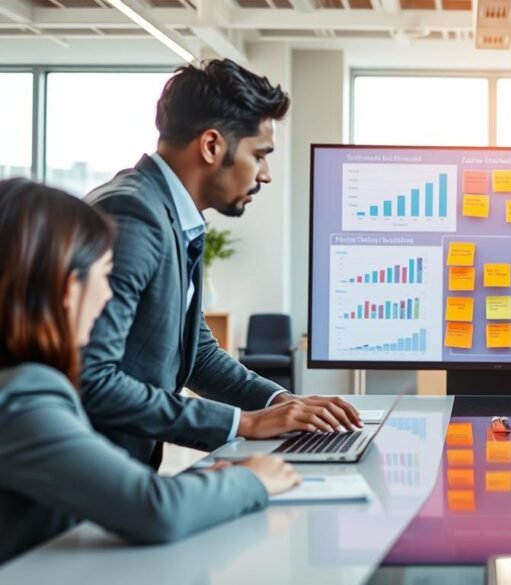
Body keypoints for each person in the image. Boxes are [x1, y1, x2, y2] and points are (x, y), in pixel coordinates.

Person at [0, 179, 300, 564]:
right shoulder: (24, 397)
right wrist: (253, 478)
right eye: (105, 276)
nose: (109, 296)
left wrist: (209, 480)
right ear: (67, 289)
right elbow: (156, 510)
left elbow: (110, 498)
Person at [80, 58, 361, 469]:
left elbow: (197, 353)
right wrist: (243, 423)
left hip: (112, 468)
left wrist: (283, 402)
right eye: (260, 155)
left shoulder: (168, 213)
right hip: (82, 482)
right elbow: (94, 379)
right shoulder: (133, 216)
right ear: (212, 145)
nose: (264, 174)